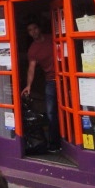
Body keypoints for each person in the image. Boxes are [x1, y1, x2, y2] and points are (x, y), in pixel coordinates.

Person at [21, 20, 61, 152]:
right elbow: (31, 69)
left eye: (35, 28)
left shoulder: (52, 38)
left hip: (65, 77)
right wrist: (28, 85)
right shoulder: (33, 50)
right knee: (51, 113)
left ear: (39, 28)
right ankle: (54, 144)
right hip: (50, 80)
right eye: (30, 30)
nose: (33, 32)